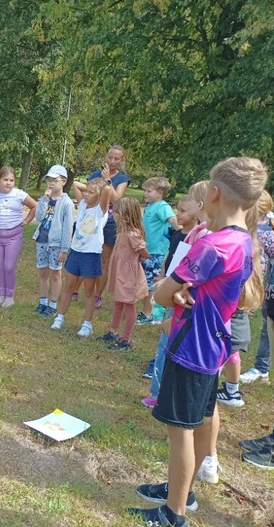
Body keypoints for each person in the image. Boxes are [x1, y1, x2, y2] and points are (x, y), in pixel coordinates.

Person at [129, 157, 268, 527]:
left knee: (181, 433)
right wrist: (182, 291)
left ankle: (174, 512)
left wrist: (170, 290)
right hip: (213, 347)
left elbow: (162, 294)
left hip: (190, 348)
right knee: (201, 421)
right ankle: (181, 490)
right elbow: (201, 289)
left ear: (215, 193)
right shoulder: (242, 240)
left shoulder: (212, 246)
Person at [141, 195, 200, 407]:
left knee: (170, 343)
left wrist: (173, 285)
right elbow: (171, 257)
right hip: (169, 291)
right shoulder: (180, 235)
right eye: (178, 209)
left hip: (180, 296)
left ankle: (162, 394)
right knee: (164, 342)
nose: (178, 214)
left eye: (183, 211)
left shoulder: (200, 240)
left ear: (199, 210)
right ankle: (157, 392)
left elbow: (188, 272)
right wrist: (163, 276)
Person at [216, 191, 273, 408]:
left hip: (235, 295)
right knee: (231, 346)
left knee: (222, 343)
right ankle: (231, 390)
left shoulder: (246, 235)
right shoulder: (256, 235)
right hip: (242, 295)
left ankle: (216, 388)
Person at [51, 178, 111, 336]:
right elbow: (76, 184)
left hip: (91, 254)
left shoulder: (100, 210)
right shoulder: (83, 204)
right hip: (76, 251)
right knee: (69, 288)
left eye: (91, 193)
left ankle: (87, 324)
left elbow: (107, 191)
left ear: (99, 196)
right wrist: (92, 188)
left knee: (89, 291)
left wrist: (103, 184)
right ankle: (60, 317)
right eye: (86, 191)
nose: (86, 194)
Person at [0, 166, 37, 307]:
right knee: (0, 265)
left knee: (9, 266)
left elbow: (35, 206)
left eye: (11, 180)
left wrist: (26, 221)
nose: (8, 183)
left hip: (14, 236)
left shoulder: (19, 194)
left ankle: (10, 296)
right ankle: (2, 294)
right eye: (5, 179)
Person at [97, 197, 149, 349]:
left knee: (129, 307)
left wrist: (138, 257)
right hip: (120, 274)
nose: (113, 214)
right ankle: (113, 331)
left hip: (128, 276)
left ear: (125, 215)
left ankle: (126, 339)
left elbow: (144, 252)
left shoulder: (132, 234)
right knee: (118, 303)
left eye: (116, 212)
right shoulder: (121, 232)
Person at [85, 145, 131, 308]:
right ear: (106, 156)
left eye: (116, 159)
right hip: (93, 221)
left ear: (122, 160)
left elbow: (117, 200)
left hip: (111, 223)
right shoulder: (94, 176)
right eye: (110, 157)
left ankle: (97, 295)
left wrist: (107, 182)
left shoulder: (122, 179)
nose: (112, 161)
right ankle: (81, 290)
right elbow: (89, 197)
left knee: (104, 260)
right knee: (88, 256)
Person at [32, 165, 75, 317]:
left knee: (55, 274)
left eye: (54, 180)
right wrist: (44, 200)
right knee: (43, 272)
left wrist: (64, 249)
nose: (51, 183)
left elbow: (68, 228)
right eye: (49, 180)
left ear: (63, 181)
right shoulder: (45, 199)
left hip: (56, 244)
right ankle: (43, 302)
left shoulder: (67, 203)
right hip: (42, 240)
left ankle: (53, 304)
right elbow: (39, 217)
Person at [137, 177, 179, 325]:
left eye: (149, 191)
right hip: (147, 251)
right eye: (145, 191)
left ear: (160, 192)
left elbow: (173, 221)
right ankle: (152, 313)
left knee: (151, 284)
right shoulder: (150, 206)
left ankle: (148, 315)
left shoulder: (162, 207)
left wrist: (182, 234)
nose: (145, 194)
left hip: (157, 253)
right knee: (146, 282)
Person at [241, 199, 274, 384]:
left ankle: (262, 368)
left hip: (260, 285)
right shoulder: (241, 229)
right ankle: (261, 368)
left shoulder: (266, 233)